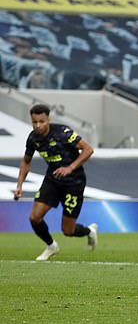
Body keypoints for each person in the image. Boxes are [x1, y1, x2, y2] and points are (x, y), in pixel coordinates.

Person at [14, 104, 98, 261]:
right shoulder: (33, 138)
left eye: (41, 121)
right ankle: (51, 246)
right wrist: (19, 185)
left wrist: (70, 167)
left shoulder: (63, 133)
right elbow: (26, 161)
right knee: (34, 218)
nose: (38, 125)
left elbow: (88, 149)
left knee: (68, 230)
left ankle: (89, 231)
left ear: (48, 119)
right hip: (53, 180)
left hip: (74, 182)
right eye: (34, 122)